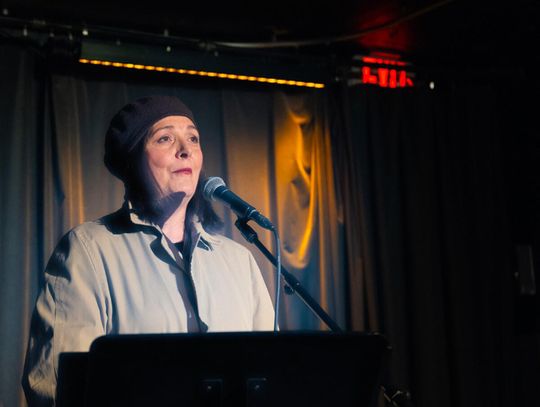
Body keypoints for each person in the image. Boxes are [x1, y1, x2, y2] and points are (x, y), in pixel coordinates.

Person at [21, 95, 275, 406]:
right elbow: (57, 387)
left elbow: (270, 377)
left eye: (193, 138)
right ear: (133, 161)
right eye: (165, 138)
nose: (185, 149)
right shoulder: (88, 251)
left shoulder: (239, 261)